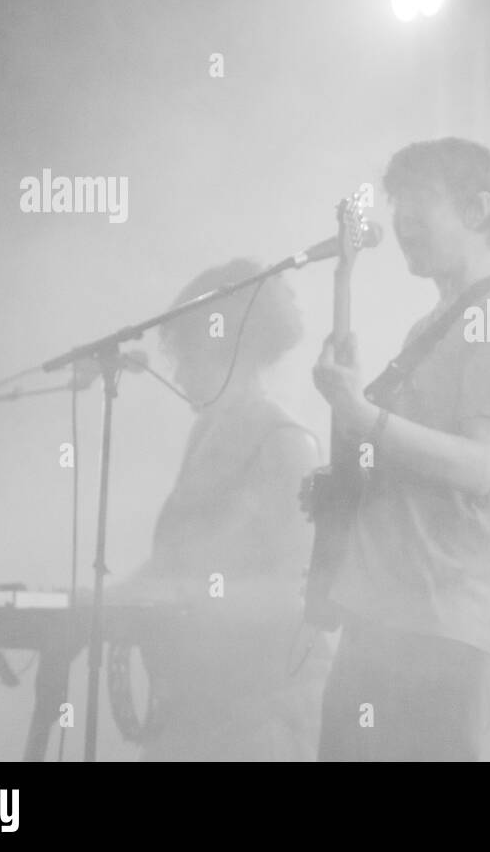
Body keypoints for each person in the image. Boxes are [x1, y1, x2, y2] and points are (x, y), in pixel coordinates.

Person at [311, 138, 490, 761]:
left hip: (443, 624)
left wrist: (363, 414)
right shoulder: (434, 324)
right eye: (398, 205)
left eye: (418, 202)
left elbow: (481, 466)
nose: (401, 222)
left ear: (477, 210)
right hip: (384, 611)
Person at [118, 259, 328, 761]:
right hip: (192, 709)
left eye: (187, 356)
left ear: (229, 349)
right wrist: (111, 600)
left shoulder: (287, 444)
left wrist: (184, 597)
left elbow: (301, 597)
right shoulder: (204, 433)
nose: (178, 372)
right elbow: (177, 557)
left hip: (259, 723)